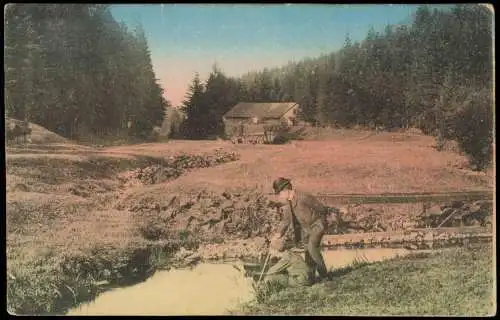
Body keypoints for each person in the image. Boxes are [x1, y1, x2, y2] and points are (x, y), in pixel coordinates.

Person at [268, 177, 331, 283]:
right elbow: (286, 221)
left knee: (312, 248)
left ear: (286, 191)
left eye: (280, 194)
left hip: (317, 225)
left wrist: (321, 221)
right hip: (307, 230)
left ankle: (325, 276)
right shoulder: (289, 204)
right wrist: (278, 234)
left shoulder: (303, 197)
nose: (280, 197)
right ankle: (311, 277)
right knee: (307, 251)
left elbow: (321, 208)